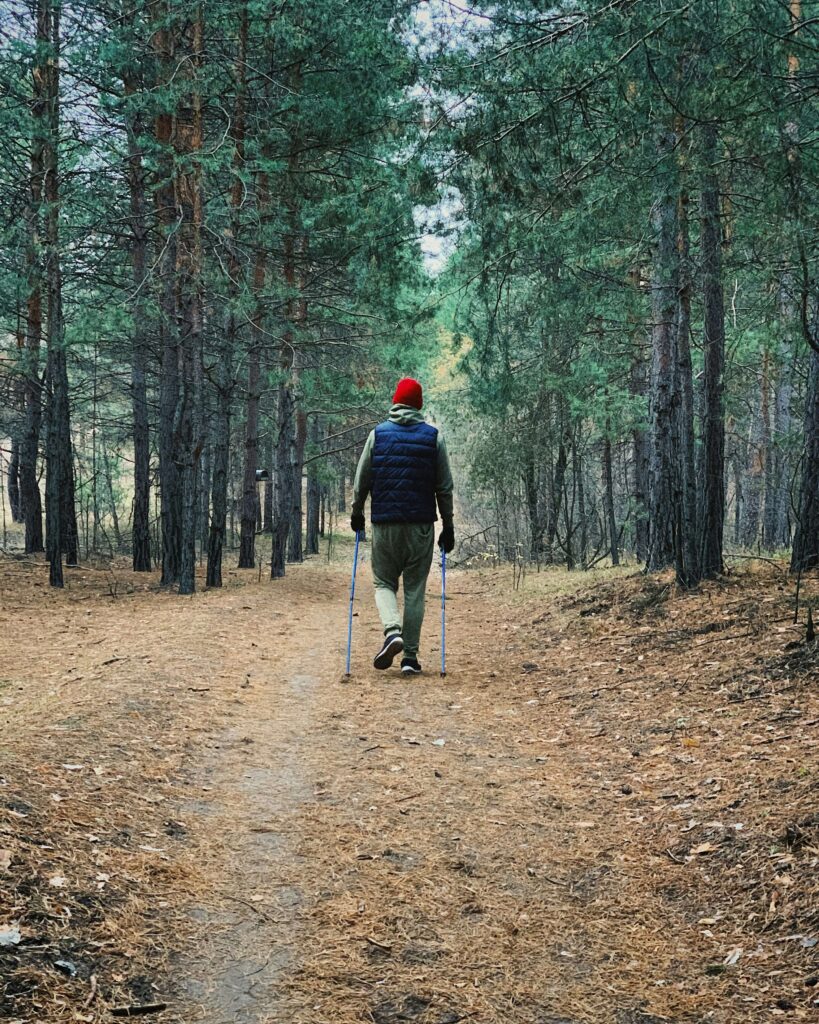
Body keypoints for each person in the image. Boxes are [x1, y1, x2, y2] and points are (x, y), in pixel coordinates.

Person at [350, 378, 455, 674]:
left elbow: (361, 481)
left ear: (395, 402)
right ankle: (409, 657)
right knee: (415, 589)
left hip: (385, 523)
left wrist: (357, 512)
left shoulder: (378, 435)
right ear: (418, 405)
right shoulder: (433, 438)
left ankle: (392, 631)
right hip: (421, 524)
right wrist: (448, 526)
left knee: (383, 583)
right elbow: (444, 487)